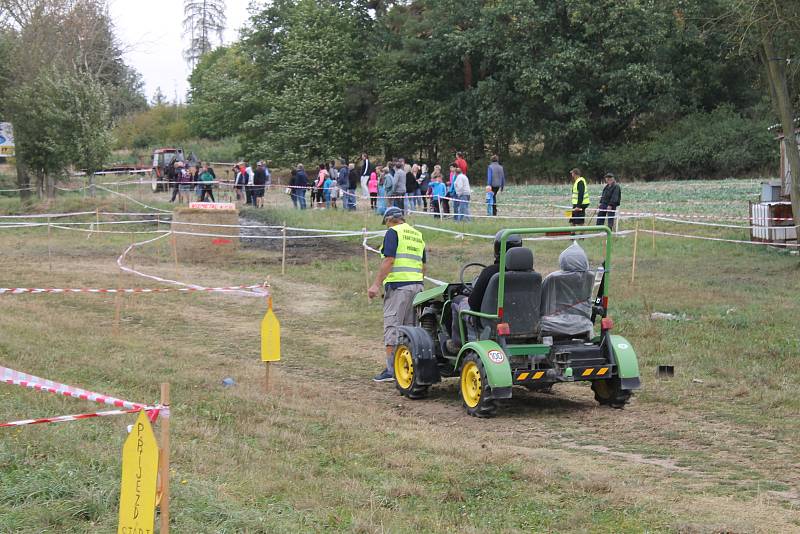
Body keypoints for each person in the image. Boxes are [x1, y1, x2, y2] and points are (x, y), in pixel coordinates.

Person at [368, 206, 426, 382]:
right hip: (417, 287)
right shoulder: (417, 235)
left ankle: (392, 370)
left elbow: (389, 260)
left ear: (389, 220)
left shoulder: (393, 232)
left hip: (399, 288)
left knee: (393, 326)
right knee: (411, 329)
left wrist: (376, 284)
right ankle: (407, 369)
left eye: (386, 222)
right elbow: (423, 266)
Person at [447, 232, 523, 351]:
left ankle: (457, 344)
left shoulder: (490, 273)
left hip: (490, 322)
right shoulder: (533, 276)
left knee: (457, 300)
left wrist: (469, 295)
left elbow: (473, 303)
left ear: (497, 249)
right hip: (522, 322)